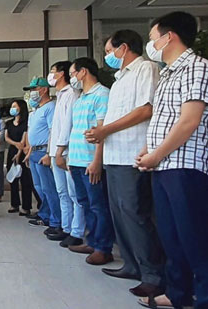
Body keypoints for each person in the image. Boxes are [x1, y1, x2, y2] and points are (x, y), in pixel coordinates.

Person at [84, 30, 166, 298]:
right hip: (114, 156)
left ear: (124, 47)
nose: (108, 56)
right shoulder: (119, 80)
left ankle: (153, 274)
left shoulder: (146, 69)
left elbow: (146, 109)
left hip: (133, 154)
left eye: (109, 50)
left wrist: (106, 130)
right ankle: (131, 264)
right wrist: (103, 136)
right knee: (120, 214)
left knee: (136, 214)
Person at [135, 11, 208, 309]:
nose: (151, 45)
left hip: (185, 166)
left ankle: (203, 297)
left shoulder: (197, 68)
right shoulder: (167, 73)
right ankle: (178, 293)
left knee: (194, 236)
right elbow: (163, 120)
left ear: (169, 36)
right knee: (171, 235)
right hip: (162, 164)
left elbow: (188, 121)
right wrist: (147, 150)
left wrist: (156, 153)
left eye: (153, 38)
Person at [66, 57, 114, 265]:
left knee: (97, 205)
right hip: (76, 159)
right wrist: (69, 157)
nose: (72, 78)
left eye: (72, 74)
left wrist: (97, 161)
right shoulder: (80, 99)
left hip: (90, 160)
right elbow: (76, 130)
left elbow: (102, 131)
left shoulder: (102, 94)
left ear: (83, 71)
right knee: (85, 203)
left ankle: (103, 248)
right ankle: (92, 241)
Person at [48, 61, 85, 245]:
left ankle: (77, 232)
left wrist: (61, 149)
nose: (51, 75)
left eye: (52, 72)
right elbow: (55, 128)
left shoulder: (72, 94)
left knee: (73, 193)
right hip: (56, 151)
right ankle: (65, 227)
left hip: (67, 151)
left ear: (61, 74)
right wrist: (52, 150)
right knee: (62, 191)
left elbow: (68, 124)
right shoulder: (60, 96)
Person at [22, 77, 60, 232]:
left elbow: (53, 131)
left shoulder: (51, 107)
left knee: (49, 188)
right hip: (34, 152)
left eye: (34, 89)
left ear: (44, 89)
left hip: (44, 151)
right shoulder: (37, 110)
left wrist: (50, 153)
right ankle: (45, 214)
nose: (32, 93)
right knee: (39, 187)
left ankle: (55, 220)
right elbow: (33, 134)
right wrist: (29, 153)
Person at [5, 100, 34, 216]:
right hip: (12, 151)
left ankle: (26, 206)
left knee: (25, 180)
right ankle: (14, 204)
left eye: (15, 106)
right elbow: (6, 137)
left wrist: (19, 151)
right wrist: (15, 144)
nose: (12, 108)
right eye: (12, 106)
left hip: (23, 153)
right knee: (13, 178)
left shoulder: (26, 123)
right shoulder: (9, 123)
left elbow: (24, 139)